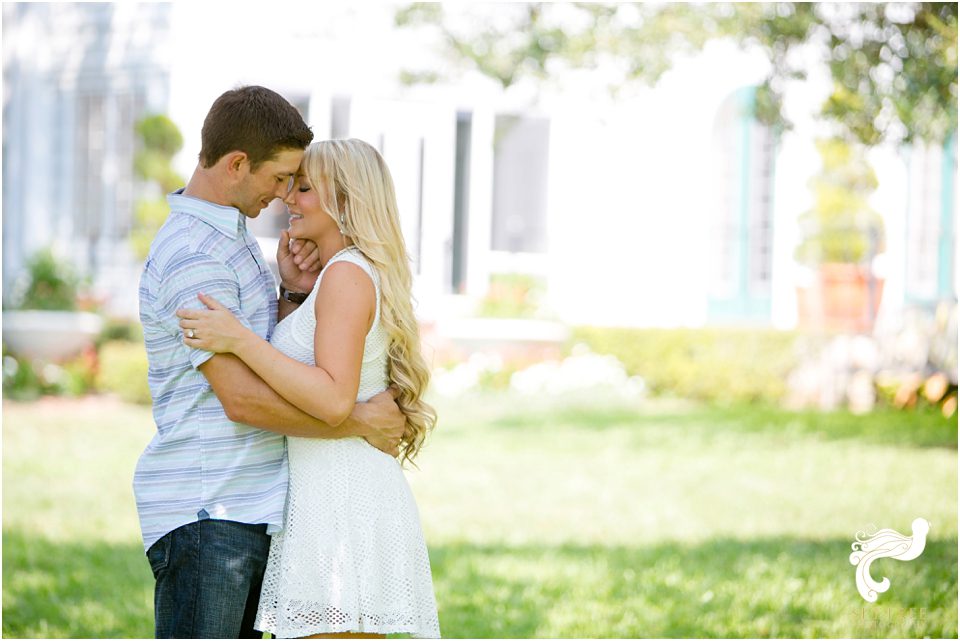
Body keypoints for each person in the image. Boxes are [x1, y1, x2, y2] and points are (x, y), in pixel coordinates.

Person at [135, 87, 406, 639]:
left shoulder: (233, 241)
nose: (285, 194)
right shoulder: (193, 255)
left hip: (255, 510)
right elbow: (240, 398)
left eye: (297, 183)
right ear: (237, 165)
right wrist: (360, 421)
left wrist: (290, 295)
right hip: (210, 511)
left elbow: (268, 357)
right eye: (282, 178)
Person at [176, 138, 441, 638]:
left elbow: (331, 397)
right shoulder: (337, 276)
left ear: (342, 200)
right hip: (327, 493)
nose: (287, 200)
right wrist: (294, 294)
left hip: (342, 497)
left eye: (302, 188)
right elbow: (311, 373)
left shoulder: (346, 274)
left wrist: (240, 339)